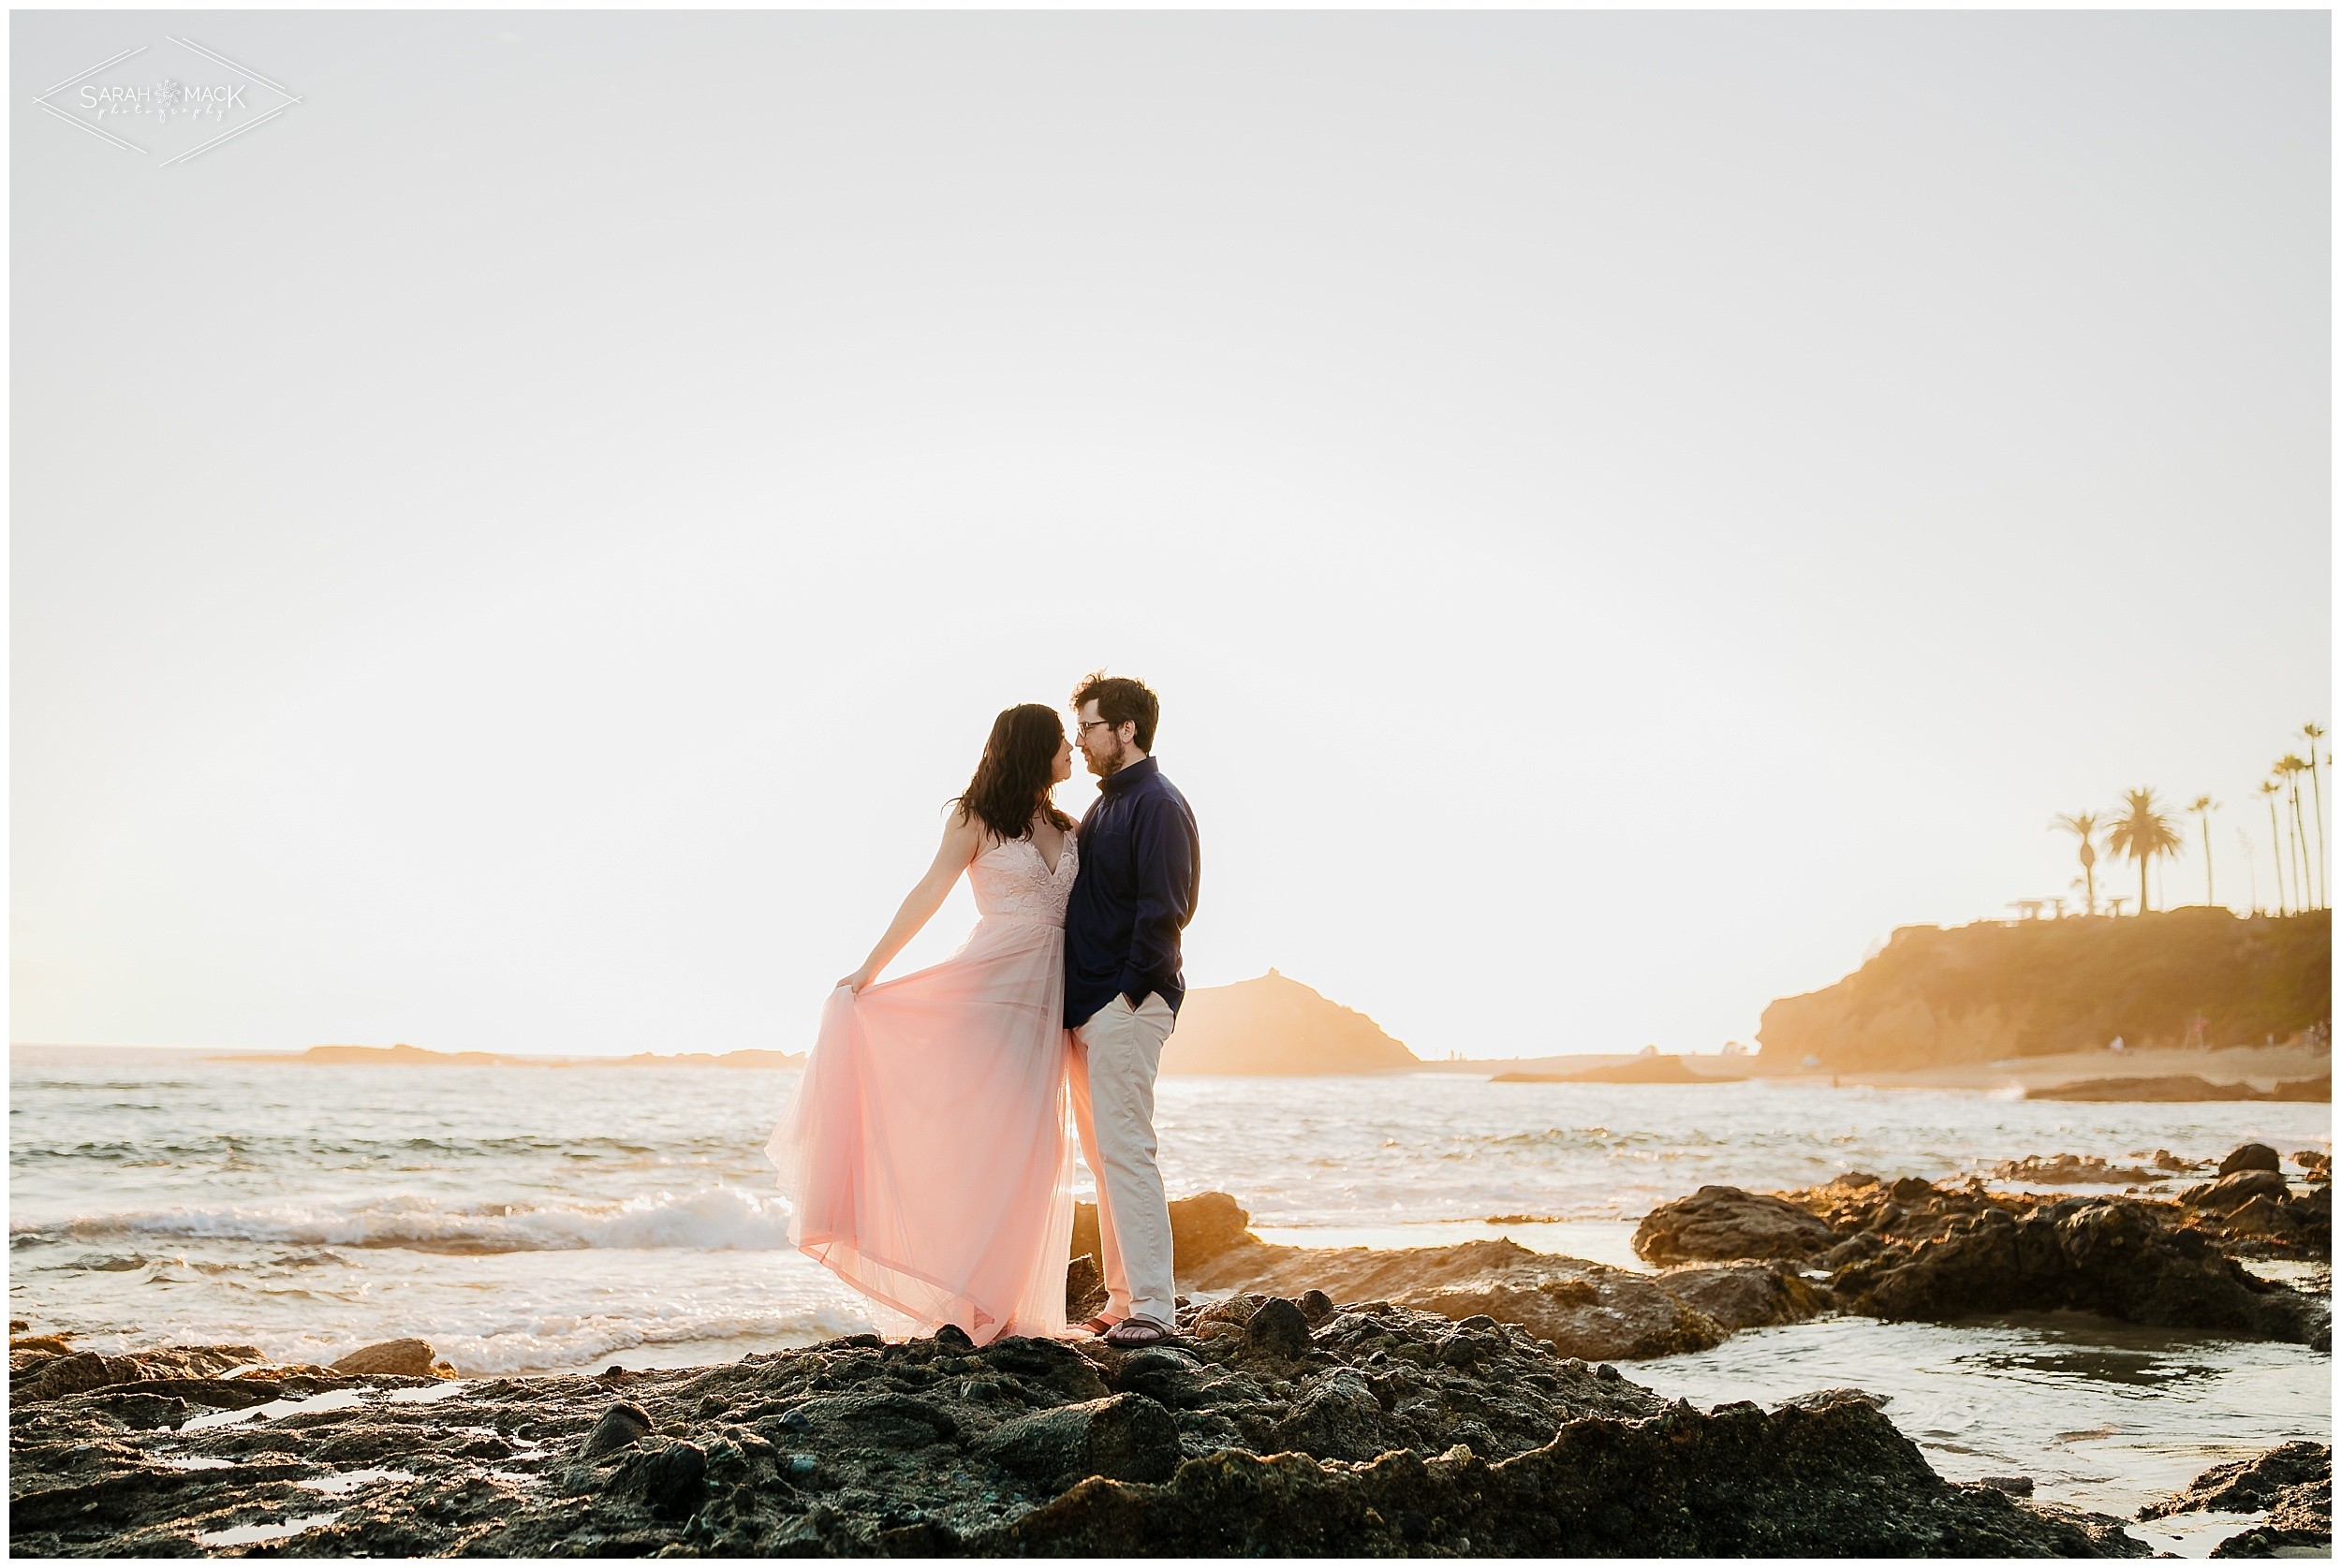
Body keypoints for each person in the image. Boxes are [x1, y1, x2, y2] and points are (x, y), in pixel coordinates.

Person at [764, 704, 1081, 1344]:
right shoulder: (973, 817)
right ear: (1033, 747)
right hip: (983, 998)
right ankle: (969, 1304)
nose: (1073, 748)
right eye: (1061, 741)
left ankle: (1009, 1303)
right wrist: (870, 968)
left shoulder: (1072, 827)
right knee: (982, 1150)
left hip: (1050, 1005)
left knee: (1039, 1151)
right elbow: (929, 890)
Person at [1062, 672, 1200, 1348]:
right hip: (1093, 1008)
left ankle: (1155, 1308)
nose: (1079, 740)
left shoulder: (1157, 802)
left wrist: (1125, 995)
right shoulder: (1105, 806)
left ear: (1126, 730)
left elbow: (1165, 910)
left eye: (1089, 726)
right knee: (1106, 1157)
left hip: (1128, 1004)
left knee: (1128, 1152)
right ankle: (1123, 1301)